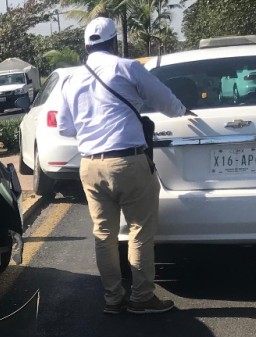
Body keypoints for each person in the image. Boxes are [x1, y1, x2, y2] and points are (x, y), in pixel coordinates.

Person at [57, 17, 196, 315]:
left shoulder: (70, 80)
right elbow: (167, 103)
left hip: (91, 165)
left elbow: (66, 130)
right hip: (128, 162)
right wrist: (184, 111)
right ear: (114, 43)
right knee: (139, 230)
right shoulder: (127, 67)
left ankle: (113, 299)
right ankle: (142, 297)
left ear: (86, 45)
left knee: (104, 234)